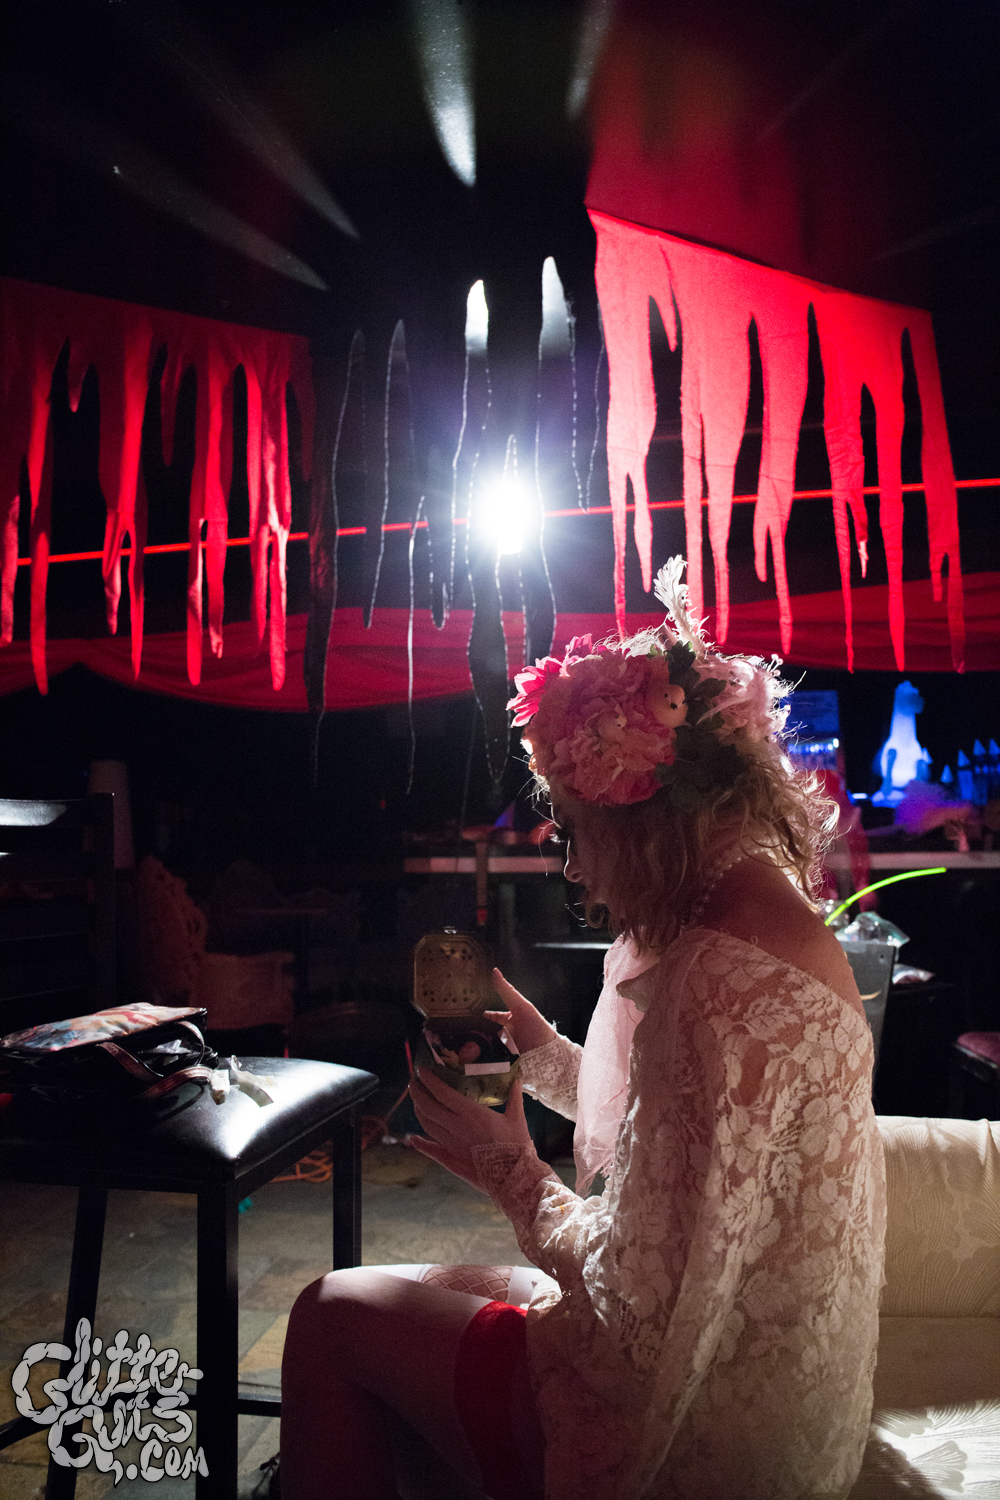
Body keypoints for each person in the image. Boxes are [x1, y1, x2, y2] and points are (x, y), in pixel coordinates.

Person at [279, 558, 886, 1500]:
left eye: (572, 831)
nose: (575, 870)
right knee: (425, 1285)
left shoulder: (719, 977)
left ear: (637, 817)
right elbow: (682, 1135)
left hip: (687, 1431)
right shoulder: (765, 923)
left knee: (329, 1310)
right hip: (778, 1402)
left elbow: (635, 1317)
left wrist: (512, 1171)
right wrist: (542, 1053)